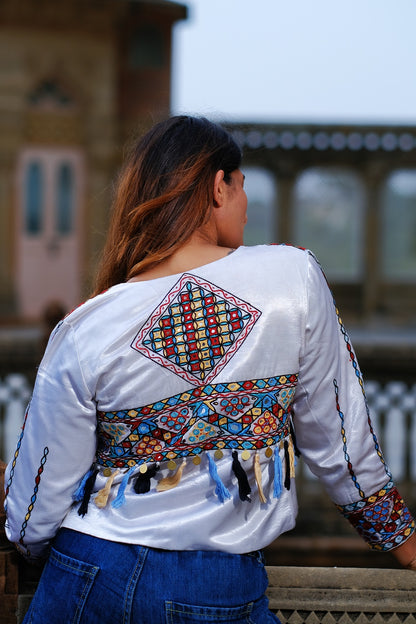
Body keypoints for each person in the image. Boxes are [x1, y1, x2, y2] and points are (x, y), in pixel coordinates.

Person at [4, 115, 416, 624]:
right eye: (241, 188)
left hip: (87, 574)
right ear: (218, 187)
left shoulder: (86, 325)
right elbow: (342, 448)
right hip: (216, 588)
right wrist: (404, 544)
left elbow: (35, 509)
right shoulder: (292, 279)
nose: (245, 211)